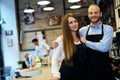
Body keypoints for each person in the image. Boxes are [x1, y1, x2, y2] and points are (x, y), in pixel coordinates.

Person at [79, 4, 115, 80]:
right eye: (91, 13)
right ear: (88, 15)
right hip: (89, 70)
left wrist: (86, 42)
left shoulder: (108, 29)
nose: (93, 15)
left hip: (105, 69)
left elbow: (103, 47)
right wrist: (57, 41)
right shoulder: (82, 30)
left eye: (96, 12)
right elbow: (70, 36)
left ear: (100, 14)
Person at [51, 13, 86, 80]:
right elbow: (54, 60)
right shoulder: (61, 39)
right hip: (67, 75)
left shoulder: (81, 38)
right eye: (71, 22)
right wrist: (56, 75)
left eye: (75, 21)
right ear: (66, 25)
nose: (74, 24)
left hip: (81, 75)